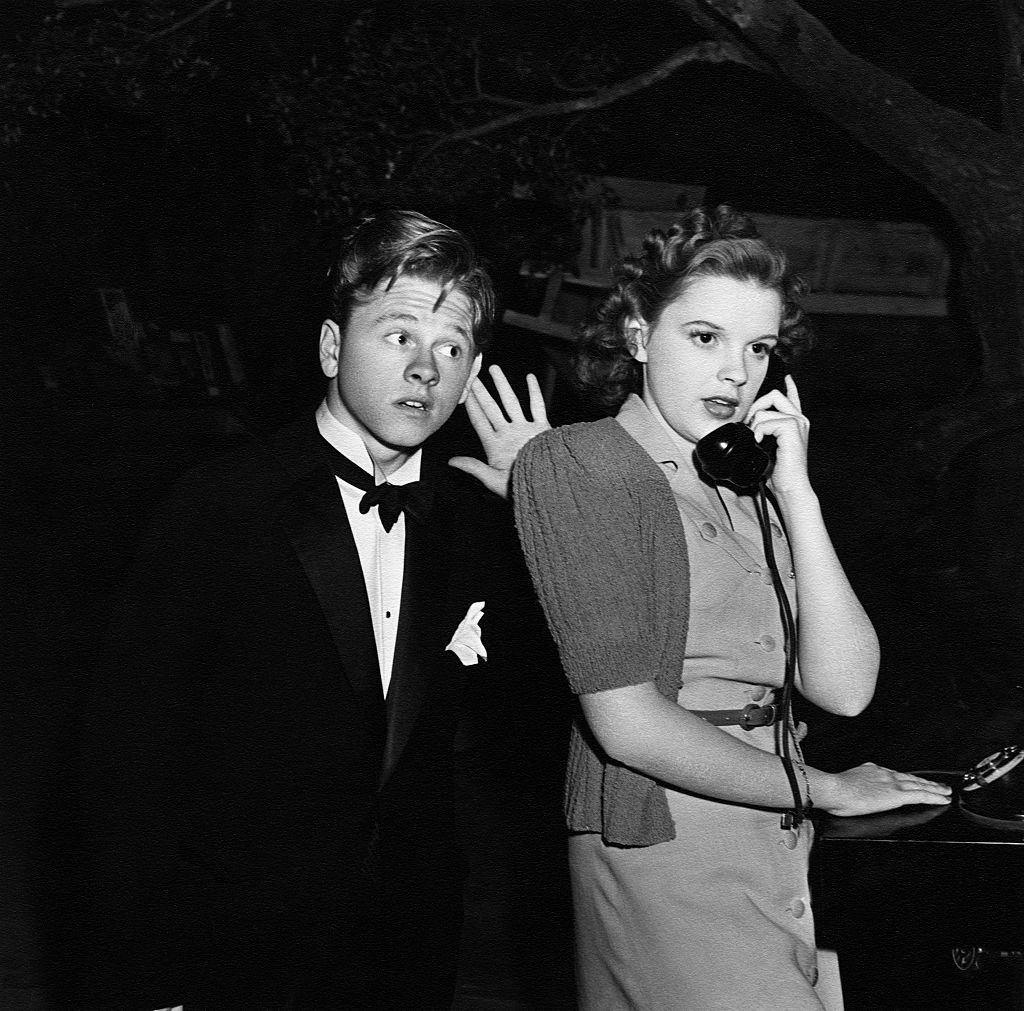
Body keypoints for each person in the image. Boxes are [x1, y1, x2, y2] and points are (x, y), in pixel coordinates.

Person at [80, 209, 550, 1009]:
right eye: (399, 335)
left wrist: (545, 520)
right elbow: (126, 758)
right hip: (233, 946)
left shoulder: (479, 523)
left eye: (452, 347)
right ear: (333, 346)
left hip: (407, 949)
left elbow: (546, 720)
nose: (426, 369)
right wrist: (148, 977)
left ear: (472, 378)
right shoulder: (219, 506)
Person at [512, 205, 952, 1010]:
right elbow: (625, 721)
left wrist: (797, 492)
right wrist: (821, 785)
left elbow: (846, 685)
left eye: (757, 349)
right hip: (667, 843)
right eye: (704, 338)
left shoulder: (744, 482)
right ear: (640, 335)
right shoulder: (582, 465)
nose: (734, 374)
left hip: (780, 838)